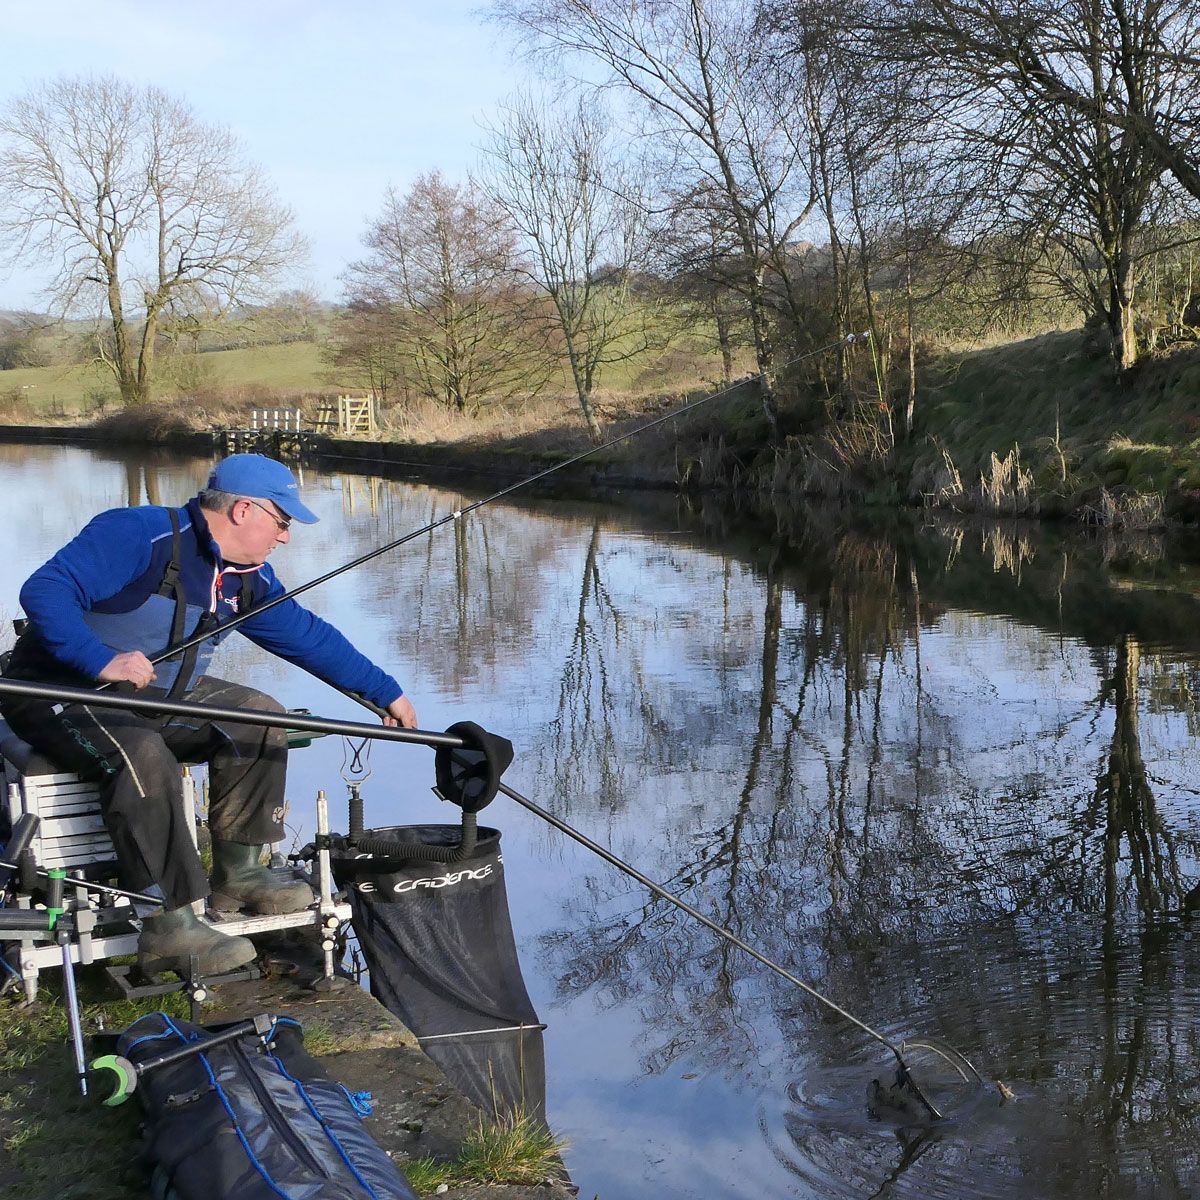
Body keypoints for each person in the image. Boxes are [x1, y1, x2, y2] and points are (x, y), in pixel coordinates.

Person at [0, 453, 417, 976]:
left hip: (157, 695)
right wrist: (101, 660)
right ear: (244, 510)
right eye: (282, 522)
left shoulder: (246, 578)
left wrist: (386, 692)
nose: (285, 537)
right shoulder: (138, 535)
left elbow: (306, 636)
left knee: (260, 715)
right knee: (143, 755)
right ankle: (168, 923)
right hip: (55, 691)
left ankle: (240, 874)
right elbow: (46, 589)